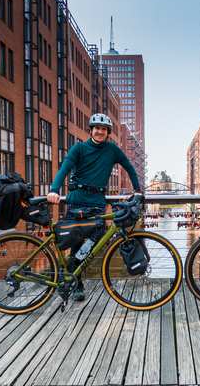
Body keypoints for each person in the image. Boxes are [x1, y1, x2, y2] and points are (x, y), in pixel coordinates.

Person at [47, 113, 141, 301]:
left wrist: (137, 190)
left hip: (97, 203)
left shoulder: (112, 150)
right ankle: (76, 283)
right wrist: (54, 189)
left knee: (94, 242)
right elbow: (64, 168)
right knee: (75, 243)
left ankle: (68, 270)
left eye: (104, 129)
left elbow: (129, 167)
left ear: (107, 133)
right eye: (96, 128)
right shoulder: (79, 149)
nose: (100, 132)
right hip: (76, 202)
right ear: (91, 130)